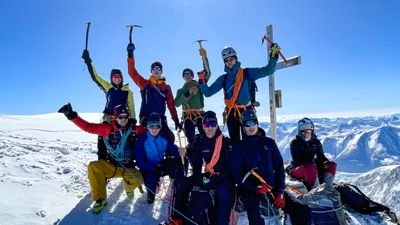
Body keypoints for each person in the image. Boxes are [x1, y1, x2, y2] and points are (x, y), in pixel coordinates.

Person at [58, 103, 144, 213]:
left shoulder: (134, 130)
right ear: (115, 118)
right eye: (120, 117)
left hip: (128, 167)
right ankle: (100, 199)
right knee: (93, 167)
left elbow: (152, 132)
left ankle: (128, 188)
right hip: (112, 166)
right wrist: (71, 115)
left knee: (138, 179)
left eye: (125, 116)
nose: (123, 119)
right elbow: (88, 127)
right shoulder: (107, 128)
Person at [231, 109, 311, 225]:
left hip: (272, 188)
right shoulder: (239, 148)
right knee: (255, 216)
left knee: (302, 209)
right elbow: (236, 174)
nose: (251, 127)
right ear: (243, 127)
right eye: (247, 124)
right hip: (250, 191)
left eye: (253, 122)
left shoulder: (269, 143)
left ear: (257, 123)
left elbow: (279, 167)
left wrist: (280, 192)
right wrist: (255, 188)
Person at [197, 44, 280, 143]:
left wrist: (274, 56)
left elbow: (268, 70)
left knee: (250, 141)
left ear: (236, 59)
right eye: (226, 60)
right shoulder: (223, 79)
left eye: (231, 59)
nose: (229, 62)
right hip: (232, 112)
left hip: (246, 111)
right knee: (234, 142)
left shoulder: (247, 73)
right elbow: (208, 92)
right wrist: (202, 80)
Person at [126, 43, 181, 142]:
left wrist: (176, 119)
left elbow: (171, 105)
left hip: (160, 119)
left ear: (161, 72)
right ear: (151, 71)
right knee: (147, 139)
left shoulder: (166, 88)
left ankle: (168, 157)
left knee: (169, 138)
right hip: (146, 119)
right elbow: (132, 72)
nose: (156, 70)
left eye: (158, 68)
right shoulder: (145, 84)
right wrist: (130, 55)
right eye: (154, 68)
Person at [187, 111, 234, 225]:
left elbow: (229, 167)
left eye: (213, 124)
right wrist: (199, 180)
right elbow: (197, 165)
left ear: (217, 125)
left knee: (223, 194)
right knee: (189, 189)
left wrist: (215, 180)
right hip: (206, 176)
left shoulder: (225, 142)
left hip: (223, 178)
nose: (210, 128)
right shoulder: (199, 142)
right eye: (207, 125)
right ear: (202, 126)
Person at [134, 112, 186, 205]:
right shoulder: (141, 141)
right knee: (154, 192)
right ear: (147, 126)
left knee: (180, 163)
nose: (154, 129)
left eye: (157, 126)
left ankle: (174, 187)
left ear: (160, 126)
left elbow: (172, 148)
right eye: (151, 125)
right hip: (148, 168)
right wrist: (154, 167)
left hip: (161, 164)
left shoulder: (163, 137)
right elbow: (140, 162)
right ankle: (155, 185)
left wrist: (179, 151)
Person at [287, 117, 337, 190]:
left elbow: (321, 157)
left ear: (312, 131)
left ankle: (327, 189)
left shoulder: (316, 142)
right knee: (310, 167)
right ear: (300, 132)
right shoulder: (295, 142)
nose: (307, 134)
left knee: (332, 165)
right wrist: (313, 164)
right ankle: (316, 191)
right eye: (304, 132)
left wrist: (325, 162)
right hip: (297, 169)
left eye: (309, 132)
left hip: (311, 167)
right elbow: (297, 161)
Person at [174, 68, 205, 145]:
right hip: (188, 115)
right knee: (190, 138)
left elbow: (208, 74)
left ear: (193, 76)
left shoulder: (199, 86)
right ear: (183, 77)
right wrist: (188, 93)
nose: (187, 76)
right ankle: (193, 153)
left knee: (204, 135)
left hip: (199, 114)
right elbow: (176, 103)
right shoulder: (181, 91)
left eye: (189, 74)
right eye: (185, 74)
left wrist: (204, 58)